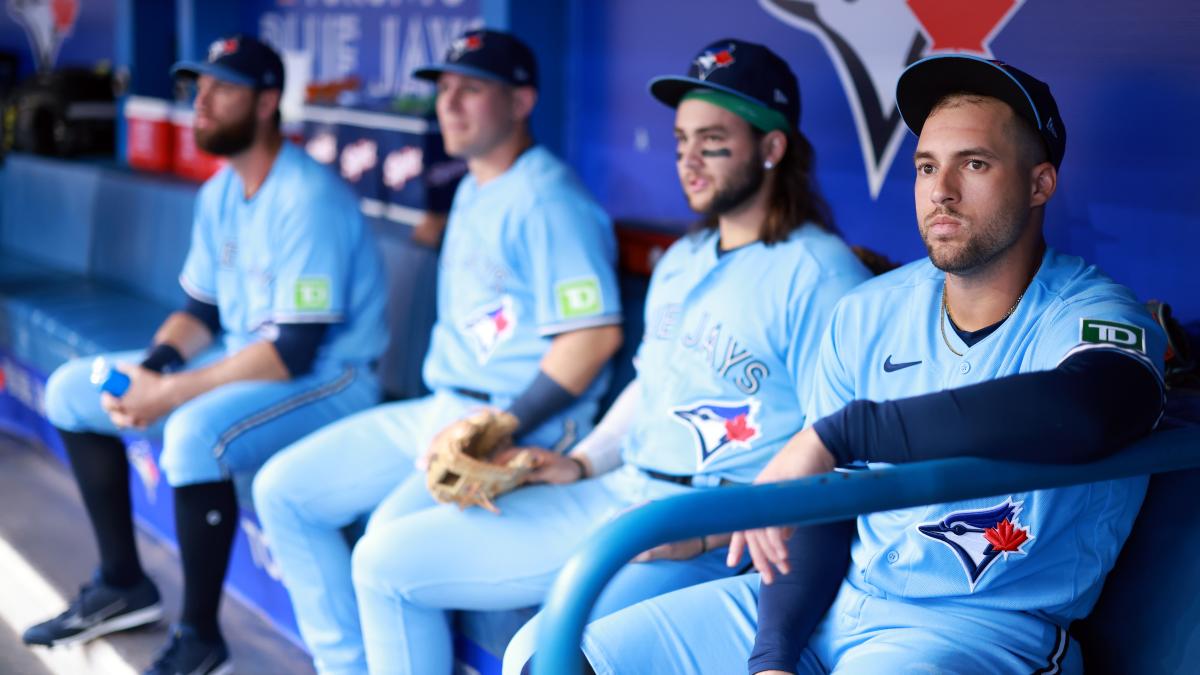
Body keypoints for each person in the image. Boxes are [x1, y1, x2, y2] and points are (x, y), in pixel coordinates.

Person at [575, 54, 1168, 675]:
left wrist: (841, 433)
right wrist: (772, 658)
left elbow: (1089, 409)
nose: (941, 191)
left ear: (1040, 184)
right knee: (563, 658)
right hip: (836, 603)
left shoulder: (1093, 312)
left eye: (974, 163)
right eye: (925, 166)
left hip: (976, 627)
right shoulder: (867, 311)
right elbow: (823, 510)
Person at [336, 38, 870, 675]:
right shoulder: (682, 260)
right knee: (383, 560)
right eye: (680, 142)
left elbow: (834, 453)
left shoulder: (822, 274)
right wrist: (581, 461)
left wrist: (705, 531)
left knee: (537, 655)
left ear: (772, 147)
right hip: (621, 491)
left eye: (712, 141)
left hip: (713, 525)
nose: (690, 161)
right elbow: (649, 387)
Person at [250, 29, 624, 675]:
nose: (449, 104)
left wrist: (501, 425)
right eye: (445, 90)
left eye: (471, 89)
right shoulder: (476, 185)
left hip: (521, 419)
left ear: (522, 100)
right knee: (284, 490)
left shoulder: (550, 201)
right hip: (442, 404)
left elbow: (593, 338)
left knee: (390, 541)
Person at [22, 35, 388, 675]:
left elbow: (293, 351)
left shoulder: (308, 198)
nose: (202, 103)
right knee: (73, 390)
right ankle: (123, 582)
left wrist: (168, 396)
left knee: (193, 432)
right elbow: (201, 312)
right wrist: (152, 370)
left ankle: (200, 636)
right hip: (247, 355)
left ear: (268, 102)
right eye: (200, 88)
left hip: (333, 378)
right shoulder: (223, 189)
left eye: (223, 90)